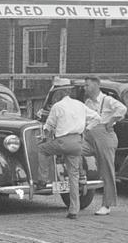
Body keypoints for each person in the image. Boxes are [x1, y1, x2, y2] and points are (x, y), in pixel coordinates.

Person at [36, 86, 99, 219]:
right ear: (68, 93)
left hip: (62, 142)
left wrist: (44, 137)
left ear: (59, 94)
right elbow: (97, 118)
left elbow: (48, 127)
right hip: (77, 142)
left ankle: (42, 179)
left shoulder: (57, 107)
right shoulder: (80, 105)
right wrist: (86, 129)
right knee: (73, 177)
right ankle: (73, 210)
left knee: (42, 150)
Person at [82, 76, 127, 216]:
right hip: (89, 136)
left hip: (105, 137)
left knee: (107, 170)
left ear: (96, 86)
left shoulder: (106, 100)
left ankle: (107, 205)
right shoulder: (87, 102)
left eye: (87, 85)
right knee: (73, 149)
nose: (85, 88)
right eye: (85, 85)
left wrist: (111, 121)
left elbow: (122, 109)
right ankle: (81, 179)